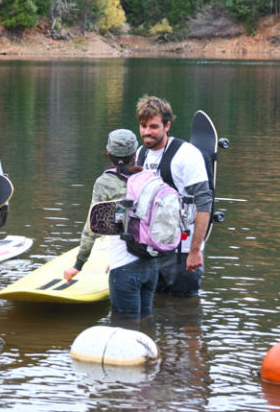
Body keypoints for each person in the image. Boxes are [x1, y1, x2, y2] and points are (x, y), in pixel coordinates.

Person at [64, 129, 159, 319]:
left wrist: (78, 264)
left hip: (124, 268)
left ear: (108, 154)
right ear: (135, 154)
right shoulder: (150, 177)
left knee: (125, 326)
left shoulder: (105, 182)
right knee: (146, 322)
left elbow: (93, 226)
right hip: (151, 265)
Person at [134, 95, 213, 297]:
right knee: (154, 308)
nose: (146, 132)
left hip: (182, 251)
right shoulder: (141, 153)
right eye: (143, 126)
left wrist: (195, 250)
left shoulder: (186, 155)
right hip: (150, 250)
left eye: (153, 126)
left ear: (167, 126)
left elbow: (204, 203)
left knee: (186, 312)